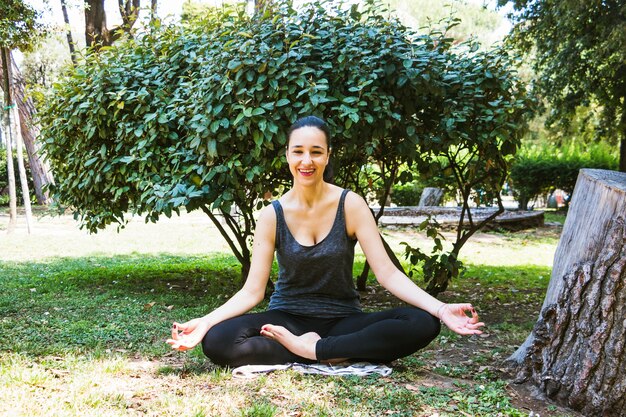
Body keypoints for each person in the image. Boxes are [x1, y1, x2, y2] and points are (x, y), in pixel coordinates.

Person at [167, 115, 484, 367]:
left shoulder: (350, 205)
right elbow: (253, 291)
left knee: (421, 323)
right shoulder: (272, 215)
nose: (307, 161)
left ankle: (317, 349)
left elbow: (387, 274)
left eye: (316, 152)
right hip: (287, 319)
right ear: (287, 155)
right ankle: (329, 352)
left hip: (343, 320)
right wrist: (205, 323)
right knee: (218, 341)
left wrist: (441, 309)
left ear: (328, 155)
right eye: (299, 151)